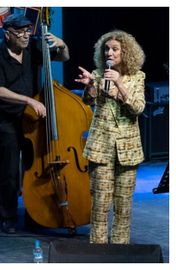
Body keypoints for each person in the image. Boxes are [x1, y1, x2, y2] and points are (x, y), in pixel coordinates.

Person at [0, 14, 69, 233]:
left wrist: (62, 45)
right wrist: (29, 99)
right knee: (10, 170)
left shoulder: (32, 47)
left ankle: (35, 213)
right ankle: (8, 216)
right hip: (8, 119)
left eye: (27, 31)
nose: (25, 36)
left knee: (33, 167)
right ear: (7, 34)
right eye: (20, 32)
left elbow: (63, 58)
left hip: (31, 119)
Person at [75, 30, 146, 244]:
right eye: (107, 49)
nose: (110, 53)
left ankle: (120, 253)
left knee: (123, 208)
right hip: (101, 147)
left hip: (128, 149)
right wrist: (89, 86)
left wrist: (118, 84)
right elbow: (89, 101)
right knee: (100, 206)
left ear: (126, 53)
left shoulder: (137, 77)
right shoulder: (98, 74)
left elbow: (138, 108)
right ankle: (98, 253)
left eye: (115, 49)